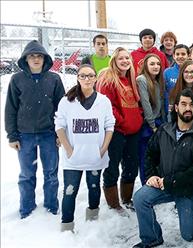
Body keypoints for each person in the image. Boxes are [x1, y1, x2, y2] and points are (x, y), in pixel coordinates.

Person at [132, 89, 193, 248]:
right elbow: (150, 153)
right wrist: (151, 175)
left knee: (189, 235)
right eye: (183, 104)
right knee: (140, 198)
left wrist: (170, 181)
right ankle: (152, 238)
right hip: (164, 185)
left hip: (188, 191)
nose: (187, 108)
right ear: (176, 108)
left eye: (191, 105)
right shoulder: (164, 130)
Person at [5, 40, 65, 219]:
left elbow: (61, 108)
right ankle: (27, 207)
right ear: (25, 59)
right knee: (26, 175)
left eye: (39, 56)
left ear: (45, 58)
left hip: (48, 134)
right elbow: (11, 108)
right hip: (25, 136)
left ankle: (51, 205)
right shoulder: (17, 79)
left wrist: (60, 133)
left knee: (51, 173)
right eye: (32, 56)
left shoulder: (54, 79)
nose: (36, 59)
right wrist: (12, 135)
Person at [55, 64, 115, 232]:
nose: (87, 79)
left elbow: (110, 126)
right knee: (69, 191)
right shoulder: (67, 101)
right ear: (78, 78)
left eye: (90, 76)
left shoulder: (103, 101)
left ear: (95, 78)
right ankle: (67, 226)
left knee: (94, 187)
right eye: (83, 76)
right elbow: (59, 126)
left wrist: (102, 150)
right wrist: (68, 149)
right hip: (73, 158)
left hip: (95, 156)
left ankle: (92, 220)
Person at [97, 47, 143, 214]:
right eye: (121, 59)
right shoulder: (108, 79)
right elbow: (108, 106)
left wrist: (137, 118)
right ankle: (113, 203)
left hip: (133, 131)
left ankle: (126, 198)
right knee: (112, 166)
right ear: (114, 61)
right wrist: (122, 121)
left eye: (127, 58)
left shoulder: (130, 78)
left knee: (131, 166)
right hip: (116, 131)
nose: (125, 61)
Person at [136, 54, 166, 185]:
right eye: (152, 64)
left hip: (159, 122)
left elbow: (161, 104)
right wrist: (152, 125)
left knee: (157, 156)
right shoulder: (142, 80)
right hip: (148, 125)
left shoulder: (158, 81)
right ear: (146, 66)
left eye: (158, 64)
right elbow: (145, 103)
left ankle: (157, 182)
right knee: (145, 156)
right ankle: (146, 183)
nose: (156, 66)